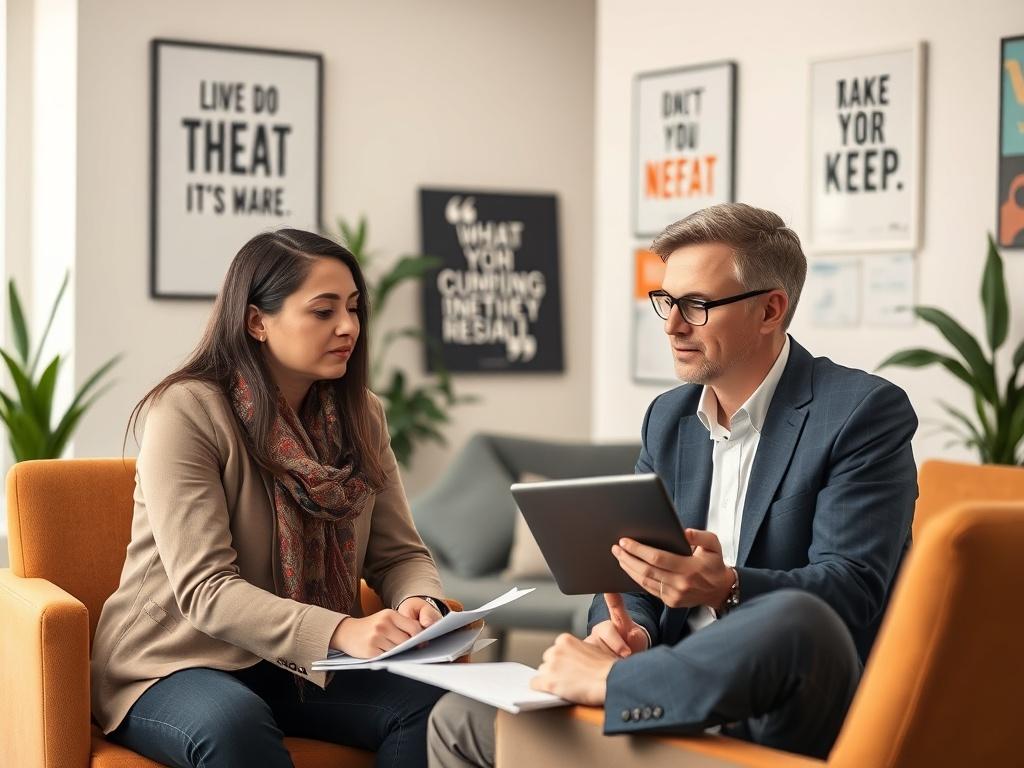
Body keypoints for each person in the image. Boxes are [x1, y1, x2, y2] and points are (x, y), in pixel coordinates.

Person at [427, 203, 918, 764]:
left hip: (771, 712)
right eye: (666, 300)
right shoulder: (669, 418)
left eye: (696, 305)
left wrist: (726, 586)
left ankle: (619, 687)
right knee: (457, 720)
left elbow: (852, 593)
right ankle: (626, 682)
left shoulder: (860, 413)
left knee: (795, 618)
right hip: (662, 699)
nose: (671, 324)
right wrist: (625, 633)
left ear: (769, 310)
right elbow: (632, 572)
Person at [91, 229, 451, 768]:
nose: (348, 327)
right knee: (235, 726)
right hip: (173, 662)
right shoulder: (187, 411)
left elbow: (399, 554)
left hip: (298, 663)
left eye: (353, 308)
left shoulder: (362, 414)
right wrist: (341, 630)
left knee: (435, 704)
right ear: (257, 321)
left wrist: (421, 604)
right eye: (323, 311)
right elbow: (206, 590)